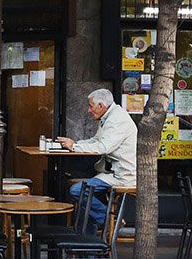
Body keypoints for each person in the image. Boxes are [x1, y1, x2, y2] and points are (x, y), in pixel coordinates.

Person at [57, 88, 138, 231]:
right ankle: (87, 246)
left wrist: (74, 147)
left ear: (101, 106)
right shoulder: (109, 116)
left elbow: (103, 147)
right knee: (85, 198)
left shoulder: (116, 120)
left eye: (91, 106)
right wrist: (74, 144)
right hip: (110, 172)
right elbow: (96, 140)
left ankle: (111, 219)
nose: (89, 110)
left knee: (78, 191)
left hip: (122, 175)